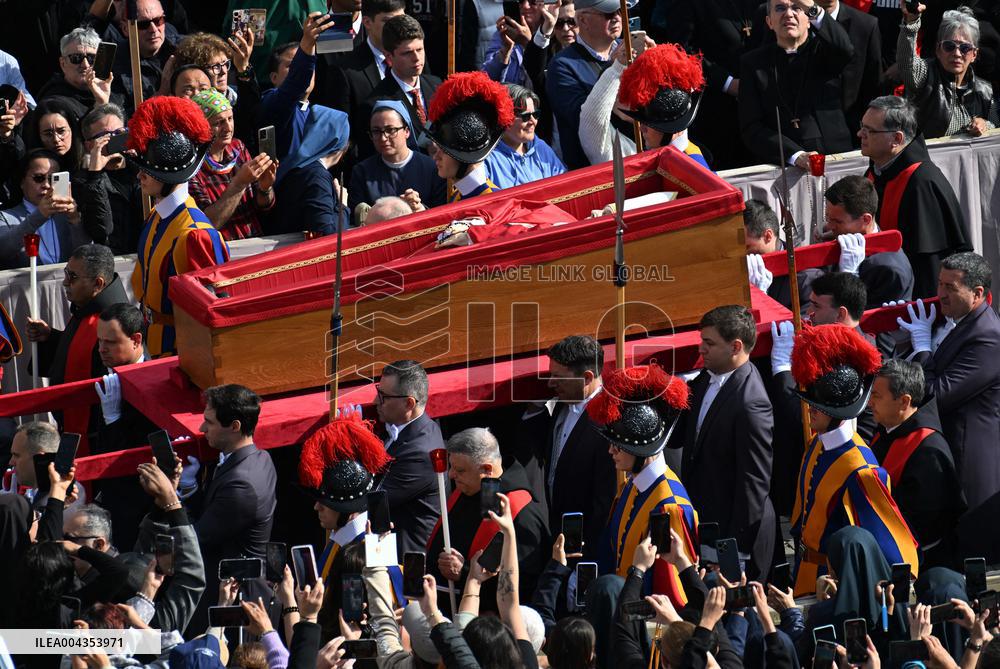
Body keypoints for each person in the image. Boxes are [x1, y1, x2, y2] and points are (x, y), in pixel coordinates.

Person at [784, 324, 918, 595]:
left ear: (837, 410)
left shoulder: (861, 470)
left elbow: (892, 544)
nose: (810, 411)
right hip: (805, 574)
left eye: (817, 406)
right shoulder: (815, 445)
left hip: (836, 586)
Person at [668, 305, 777, 580]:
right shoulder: (705, 379)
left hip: (734, 533)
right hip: (706, 520)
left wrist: (735, 551)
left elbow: (753, 481)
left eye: (709, 343)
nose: (701, 349)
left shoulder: (752, 402)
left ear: (735, 346)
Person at [895, 252, 1000, 512]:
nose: (940, 293)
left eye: (950, 288)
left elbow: (936, 396)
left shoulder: (987, 338)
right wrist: (905, 341)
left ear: (977, 294)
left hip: (967, 460)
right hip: (942, 451)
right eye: (940, 284)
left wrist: (922, 348)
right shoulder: (953, 320)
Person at [127, 95, 230, 358]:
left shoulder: (196, 235)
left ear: (168, 176)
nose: (139, 176)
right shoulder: (155, 216)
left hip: (182, 351)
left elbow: (214, 310)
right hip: (153, 343)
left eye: (147, 171)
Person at [587, 364, 698, 595]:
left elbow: (669, 591)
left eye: (619, 445)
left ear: (641, 451)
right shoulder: (629, 487)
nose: (611, 451)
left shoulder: (669, 507)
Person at [183, 384, 277, 634]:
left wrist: (169, 496)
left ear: (234, 426)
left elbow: (195, 540)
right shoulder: (259, 458)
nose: (202, 429)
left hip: (234, 605)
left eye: (209, 422)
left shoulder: (242, 485)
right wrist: (191, 488)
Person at [425, 427, 548, 615]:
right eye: (451, 467)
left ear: (487, 469)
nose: (450, 475)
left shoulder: (522, 513)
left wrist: (465, 572)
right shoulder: (467, 488)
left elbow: (523, 584)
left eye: (460, 470)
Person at [861, 95, 969, 298]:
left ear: (897, 139)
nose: (860, 133)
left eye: (870, 130)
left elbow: (930, 264)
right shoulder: (877, 171)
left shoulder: (922, 183)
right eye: (862, 127)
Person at [517, 335, 615, 559]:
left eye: (558, 377)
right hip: (556, 536)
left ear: (587, 377)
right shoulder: (562, 406)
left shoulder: (608, 424)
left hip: (582, 548)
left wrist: (587, 555)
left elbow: (603, 502)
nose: (551, 383)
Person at [25, 244, 129, 446]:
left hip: (97, 438)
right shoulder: (87, 309)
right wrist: (51, 337)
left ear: (98, 284)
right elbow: (80, 354)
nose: (65, 283)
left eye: (72, 277)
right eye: (66, 273)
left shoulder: (115, 325)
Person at [867, 359, 966, 569]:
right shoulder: (888, 429)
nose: (869, 403)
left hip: (919, 561)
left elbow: (928, 522)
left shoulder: (928, 450)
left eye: (876, 396)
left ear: (904, 401)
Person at [257, 17, 351, 236]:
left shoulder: (328, 117)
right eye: (291, 65)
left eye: (307, 65)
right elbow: (294, 86)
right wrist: (306, 46)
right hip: (284, 212)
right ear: (273, 77)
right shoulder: (273, 105)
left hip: (321, 201)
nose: (304, 72)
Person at [738, 0, 855, 167]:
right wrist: (795, 155)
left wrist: (812, 8)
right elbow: (751, 127)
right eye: (780, 8)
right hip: (782, 165)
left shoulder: (826, 52)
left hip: (834, 158)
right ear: (769, 22)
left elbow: (845, 48)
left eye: (797, 8)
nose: (788, 14)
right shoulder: (753, 64)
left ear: (809, 20)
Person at [374, 359, 446, 556]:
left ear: (409, 403)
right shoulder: (399, 427)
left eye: (383, 396)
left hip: (407, 565)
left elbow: (373, 502)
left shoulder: (421, 453)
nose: (375, 401)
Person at [189, 88, 276, 240]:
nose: (228, 128)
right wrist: (239, 184)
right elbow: (206, 224)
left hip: (254, 242)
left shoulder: (237, 148)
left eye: (230, 118)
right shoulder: (192, 166)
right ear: (201, 126)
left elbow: (264, 207)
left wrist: (265, 188)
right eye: (218, 122)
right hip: (220, 252)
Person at [898, 5, 997, 138]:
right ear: (938, 50)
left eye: (965, 48)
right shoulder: (925, 75)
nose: (957, 53)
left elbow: (996, 128)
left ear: (974, 54)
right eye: (949, 46)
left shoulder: (985, 91)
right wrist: (911, 23)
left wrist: (985, 124)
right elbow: (906, 62)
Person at [546, 0, 621, 169]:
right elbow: (585, 121)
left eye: (620, 11)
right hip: (594, 176)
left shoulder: (629, 49)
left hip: (638, 159)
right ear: (583, 20)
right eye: (608, 13)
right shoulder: (562, 65)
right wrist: (615, 69)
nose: (616, 18)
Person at [359, 15, 442, 160]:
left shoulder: (436, 85)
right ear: (388, 57)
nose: (417, 58)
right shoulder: (377, 103)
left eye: (420, 49)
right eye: (407, 53)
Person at [823, 175, 914, 308]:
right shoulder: (839, 237)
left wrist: (849, 278)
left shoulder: (889, 270)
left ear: (866, 219)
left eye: (837, 221)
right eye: (828, 218)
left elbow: (868, 323)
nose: (829, 227)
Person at [616, 42, 710, 168]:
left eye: (649, 124)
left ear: (671, 129)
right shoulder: (663, 158)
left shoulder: (694, 168)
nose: (641, 128)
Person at [348, 100, 445, 218]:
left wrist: (420, 209)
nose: (383, 138)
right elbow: (357, 218)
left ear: (407, 131)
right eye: (376, 131)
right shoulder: (362, 172)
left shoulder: (432, 168)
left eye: (390, 130)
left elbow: (443, 214)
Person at [0, 149, 95, 269]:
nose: (46, 185)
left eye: (52, 179)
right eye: (39, 178)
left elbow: (88, 258)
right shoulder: (5, 217)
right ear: (22, 182)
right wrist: (39, 215)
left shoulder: (67, 215)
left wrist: (75, 220)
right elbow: (3, 251)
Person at [426, 71, 513, 201]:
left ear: (463, 157)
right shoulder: (459, 195)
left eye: (443, 150)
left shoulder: (491, 202)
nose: (436, 156)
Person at [79, 104, 144, 254]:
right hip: (115, 261)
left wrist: (141, 161)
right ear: (89, 145)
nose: (115, 140)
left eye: (120, 133)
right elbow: (102, 228)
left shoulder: (139, 171)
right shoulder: (84, 181)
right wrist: (95, 173)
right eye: (106, 137)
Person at [743, 198, 822, 318]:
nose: (742, 255)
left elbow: (804, 326)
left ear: (767, 236)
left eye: (747, 246)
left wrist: (761, 298)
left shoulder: (805, 277)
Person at [817, 0, 882, 140]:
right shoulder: (788, 20)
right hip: (799, 132)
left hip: (851, 131)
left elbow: (873, 84)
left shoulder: (865, 25)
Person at [103, 0, 182, 109]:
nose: (153, 29)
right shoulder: (112, 63)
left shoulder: (184, 49)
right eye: (143, 24)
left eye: (158, 20)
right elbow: (124, 119)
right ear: (125, 29)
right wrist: (163, 90)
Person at [485, 84, 565, 189]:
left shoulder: (541, 148)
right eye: (525, 116)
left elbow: (564, 185)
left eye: (535, 114)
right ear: (503, 119)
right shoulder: (487, 159)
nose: (533, 121)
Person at [36, 27, 124, 121]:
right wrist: (101, 103)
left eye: (92, 58)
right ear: (63, 63)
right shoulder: (53, 103)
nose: (85, 65)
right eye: (76, 58)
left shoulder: (113, 95)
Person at [481, 0, 558, 91]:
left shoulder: (559, 31)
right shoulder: (504, 33)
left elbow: (547, 81)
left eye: (532, 1)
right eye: (520, 1)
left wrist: (528, 43)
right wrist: (504, 53)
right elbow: (486, 79)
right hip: (509, 101)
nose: (525, 6)